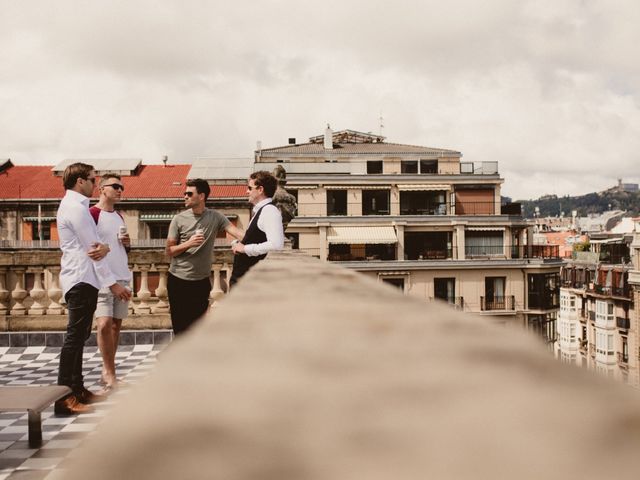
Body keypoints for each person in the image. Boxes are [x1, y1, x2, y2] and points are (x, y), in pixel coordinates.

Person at [55, 163, 131, 415]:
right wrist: (112, 281)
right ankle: (65, 397)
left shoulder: (75, 206)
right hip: (81, 278)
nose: (93, 183)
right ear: (79, 181)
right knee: (74, 338)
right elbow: (95, 250)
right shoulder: (77, 209)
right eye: (91, 179)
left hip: (84, 278)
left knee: (79, 337)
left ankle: (78, 390)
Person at [165, 178, 244, 335]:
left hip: (201, 282)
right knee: (181, 329)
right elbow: (169, 251)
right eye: (184, 193)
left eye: (189, 193)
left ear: (201, 196)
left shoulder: (215, 217)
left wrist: (264, 240)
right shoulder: (178, 219)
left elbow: (238, 233)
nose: (185, 196)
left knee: (198, 329)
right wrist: (189, 243)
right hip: (178, 280)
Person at [89, 173, 132, 390]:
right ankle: (107, 373)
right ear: (101, 189)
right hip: (102, 279)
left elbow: (121, 249)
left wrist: (127, 242)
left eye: (121, 187)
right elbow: (90, 250)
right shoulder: (92, 214)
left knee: (115, 326)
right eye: (115, 186)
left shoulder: (120, 216)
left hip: (122, 275)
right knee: (103, 324)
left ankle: (109, 373)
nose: (119, 190)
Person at [230, 171, 285, 284]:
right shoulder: (262, 210)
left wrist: (245, 249)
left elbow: (276, 245)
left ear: (260, 189)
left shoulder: (269, 211)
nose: (247, 191)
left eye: (250, 188)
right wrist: (239, 244)